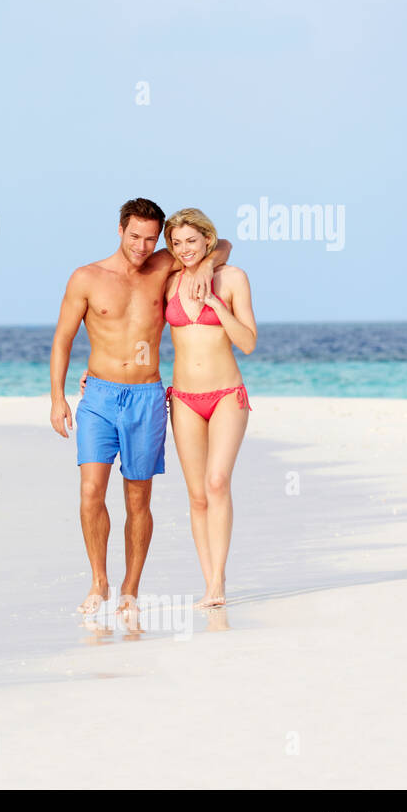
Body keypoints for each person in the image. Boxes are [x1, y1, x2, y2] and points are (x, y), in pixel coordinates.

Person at [50, 199, 231, 617]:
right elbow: (62, 339)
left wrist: (204, 266)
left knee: (138, 499)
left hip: (147, 397)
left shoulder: (164, 265)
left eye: (151, 238)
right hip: (98, 396)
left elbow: (221, 244)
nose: (142, 246)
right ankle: (99, 581)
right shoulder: (87, 277)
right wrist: (58, 397)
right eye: (135, 236)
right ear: (119, 230)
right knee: (91, 490)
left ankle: (130, 588)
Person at [162, 208, 257, 607]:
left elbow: (248, 342)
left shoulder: (233, 278)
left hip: (225, 396)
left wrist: (218, 306)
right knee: (197, 494)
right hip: (183, 398)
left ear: (207, 239)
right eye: (177, 242)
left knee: (217, 482)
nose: (185, 249)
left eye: (192, 241)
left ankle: (219, 581)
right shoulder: (167, 281)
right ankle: (209, 584)